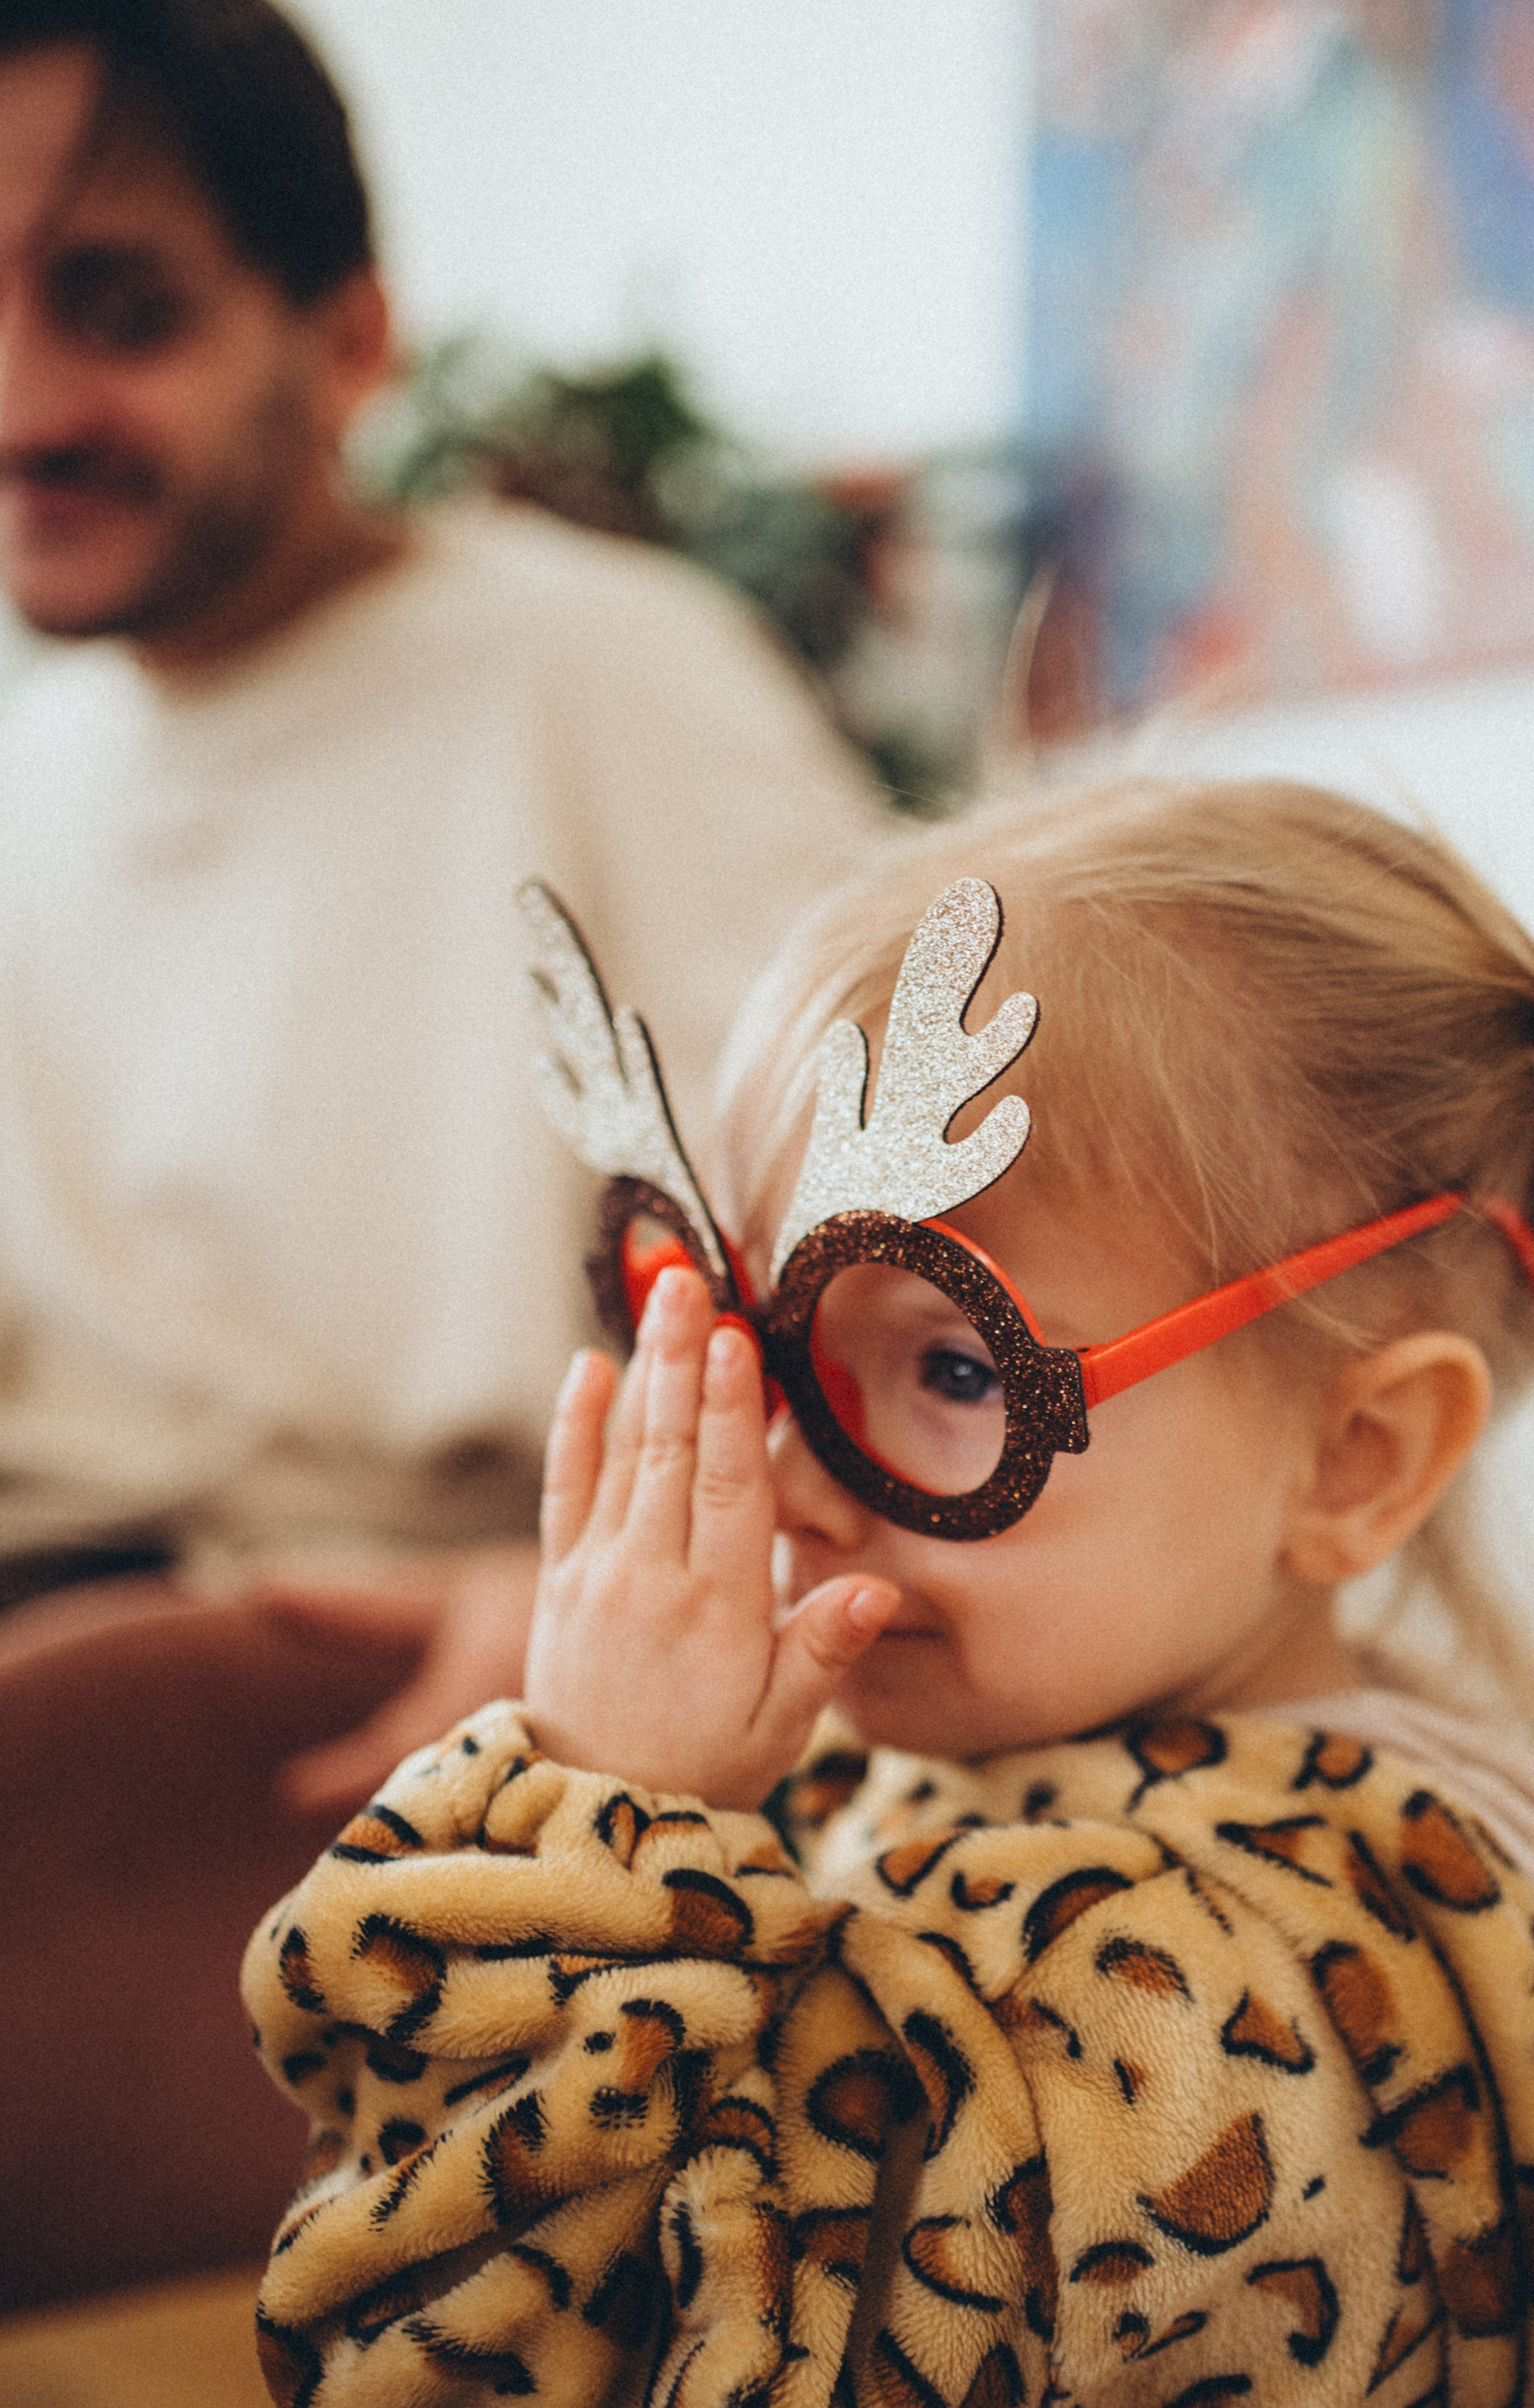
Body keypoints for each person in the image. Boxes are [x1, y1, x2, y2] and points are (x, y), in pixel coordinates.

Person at [243, 779, 1534, 2408]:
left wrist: (598, 1828)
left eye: (950, 1364)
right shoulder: (1002, 1752)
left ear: (1355, 1455)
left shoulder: (1203, 1996)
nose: (786, 1479)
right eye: (739, 1332)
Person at [0, 0, 884, 1801]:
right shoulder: (32, 761)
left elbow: (916, 1266)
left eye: (121, 308)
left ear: (348, 340)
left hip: (411, 1695)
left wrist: (587, 1572)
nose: (20, 406)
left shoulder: (607, 668)